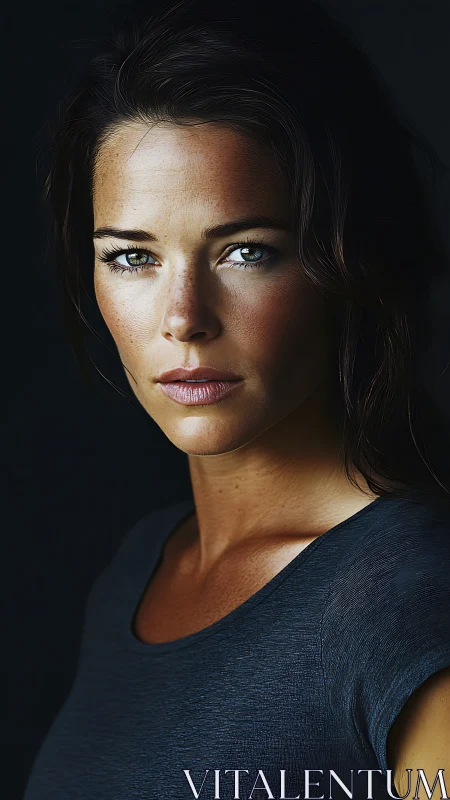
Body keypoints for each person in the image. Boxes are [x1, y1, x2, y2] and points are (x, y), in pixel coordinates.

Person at [25, 1, 450, 798]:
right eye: (132, 257)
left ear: (346, 260)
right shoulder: (137, 570)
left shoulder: (412, 601)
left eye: (246, 252)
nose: (184, 317)